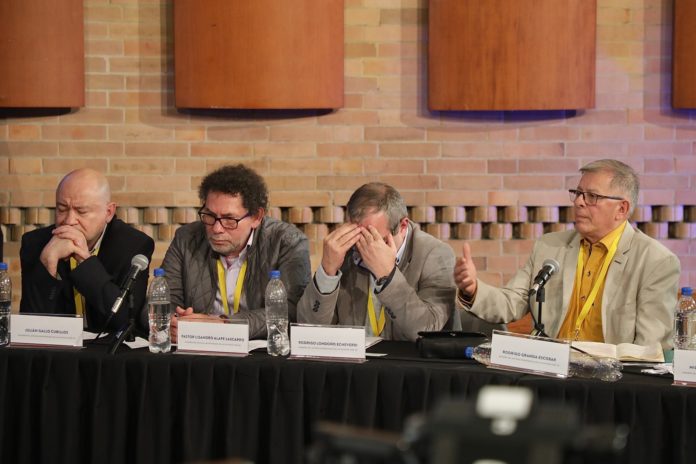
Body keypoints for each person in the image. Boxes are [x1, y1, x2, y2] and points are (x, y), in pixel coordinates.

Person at [454, 159, 680, 349]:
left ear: (621, 209)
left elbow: (650, 347)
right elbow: (512, 302)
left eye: (592, 196)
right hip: (549, 368)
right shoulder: (550, 246)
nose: (579, 202)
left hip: (610, 378)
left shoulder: (656, 261)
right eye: (578, 193)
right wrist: (473, 289)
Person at [298, 182, 500, 342]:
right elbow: (309, 332)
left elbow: (426, 331)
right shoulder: (346, 252)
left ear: (403, 226)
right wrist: (327, 272)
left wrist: (388, 276)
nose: (365, 248)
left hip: (414, 372)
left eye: (376, 239)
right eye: (359, 237)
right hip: (355, 369)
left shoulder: (435, 254)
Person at [164, 164, 311, 341]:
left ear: (256, 217)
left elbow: (292, 311)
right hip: (197, 346)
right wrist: (172, 322)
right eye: (209, 215)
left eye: (229, 219)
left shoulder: (287, 242)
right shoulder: (186, 238)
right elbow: (160, 300)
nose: (216, 228)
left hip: (259, 351)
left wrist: (224, 325)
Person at [20, 168, 155, 333]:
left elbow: (124, 321)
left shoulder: (133, 245)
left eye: (81, 211)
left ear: (108, 212)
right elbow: (30, 324)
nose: (69, 221)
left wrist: (85, 262)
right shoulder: (36, 244)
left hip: (108, 348)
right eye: (61, 209)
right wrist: (48, 264)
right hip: (57, 346)